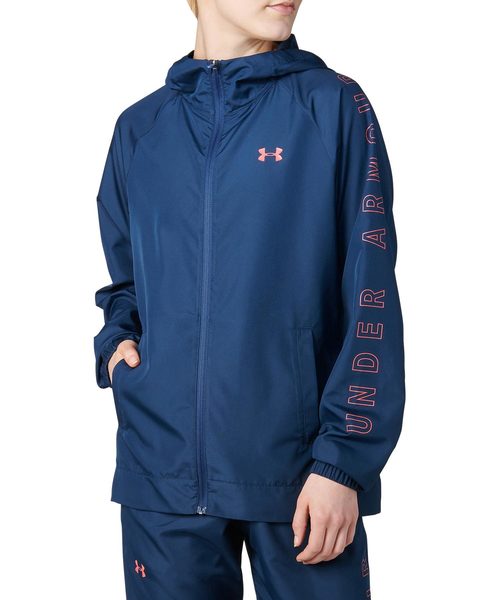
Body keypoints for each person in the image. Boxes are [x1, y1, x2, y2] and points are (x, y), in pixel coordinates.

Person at [93, 0, 406, 597]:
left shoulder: (332, 106)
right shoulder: (141, 127)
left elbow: (371, 290)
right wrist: (117, 344)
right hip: (161, 471)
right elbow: (127, 278)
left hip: (302, 476)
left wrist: (343, 463)